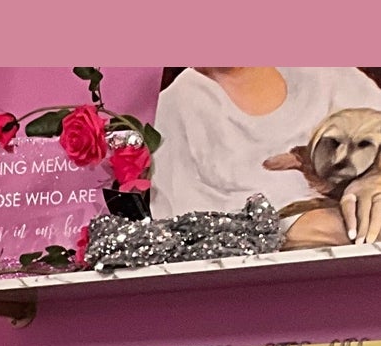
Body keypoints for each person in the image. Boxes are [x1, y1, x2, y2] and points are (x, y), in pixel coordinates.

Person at [150, 67, 381, 243]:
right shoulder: (175, 107)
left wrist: (374, 177)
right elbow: (181, 227)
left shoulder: (329, 74)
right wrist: (289, 230)